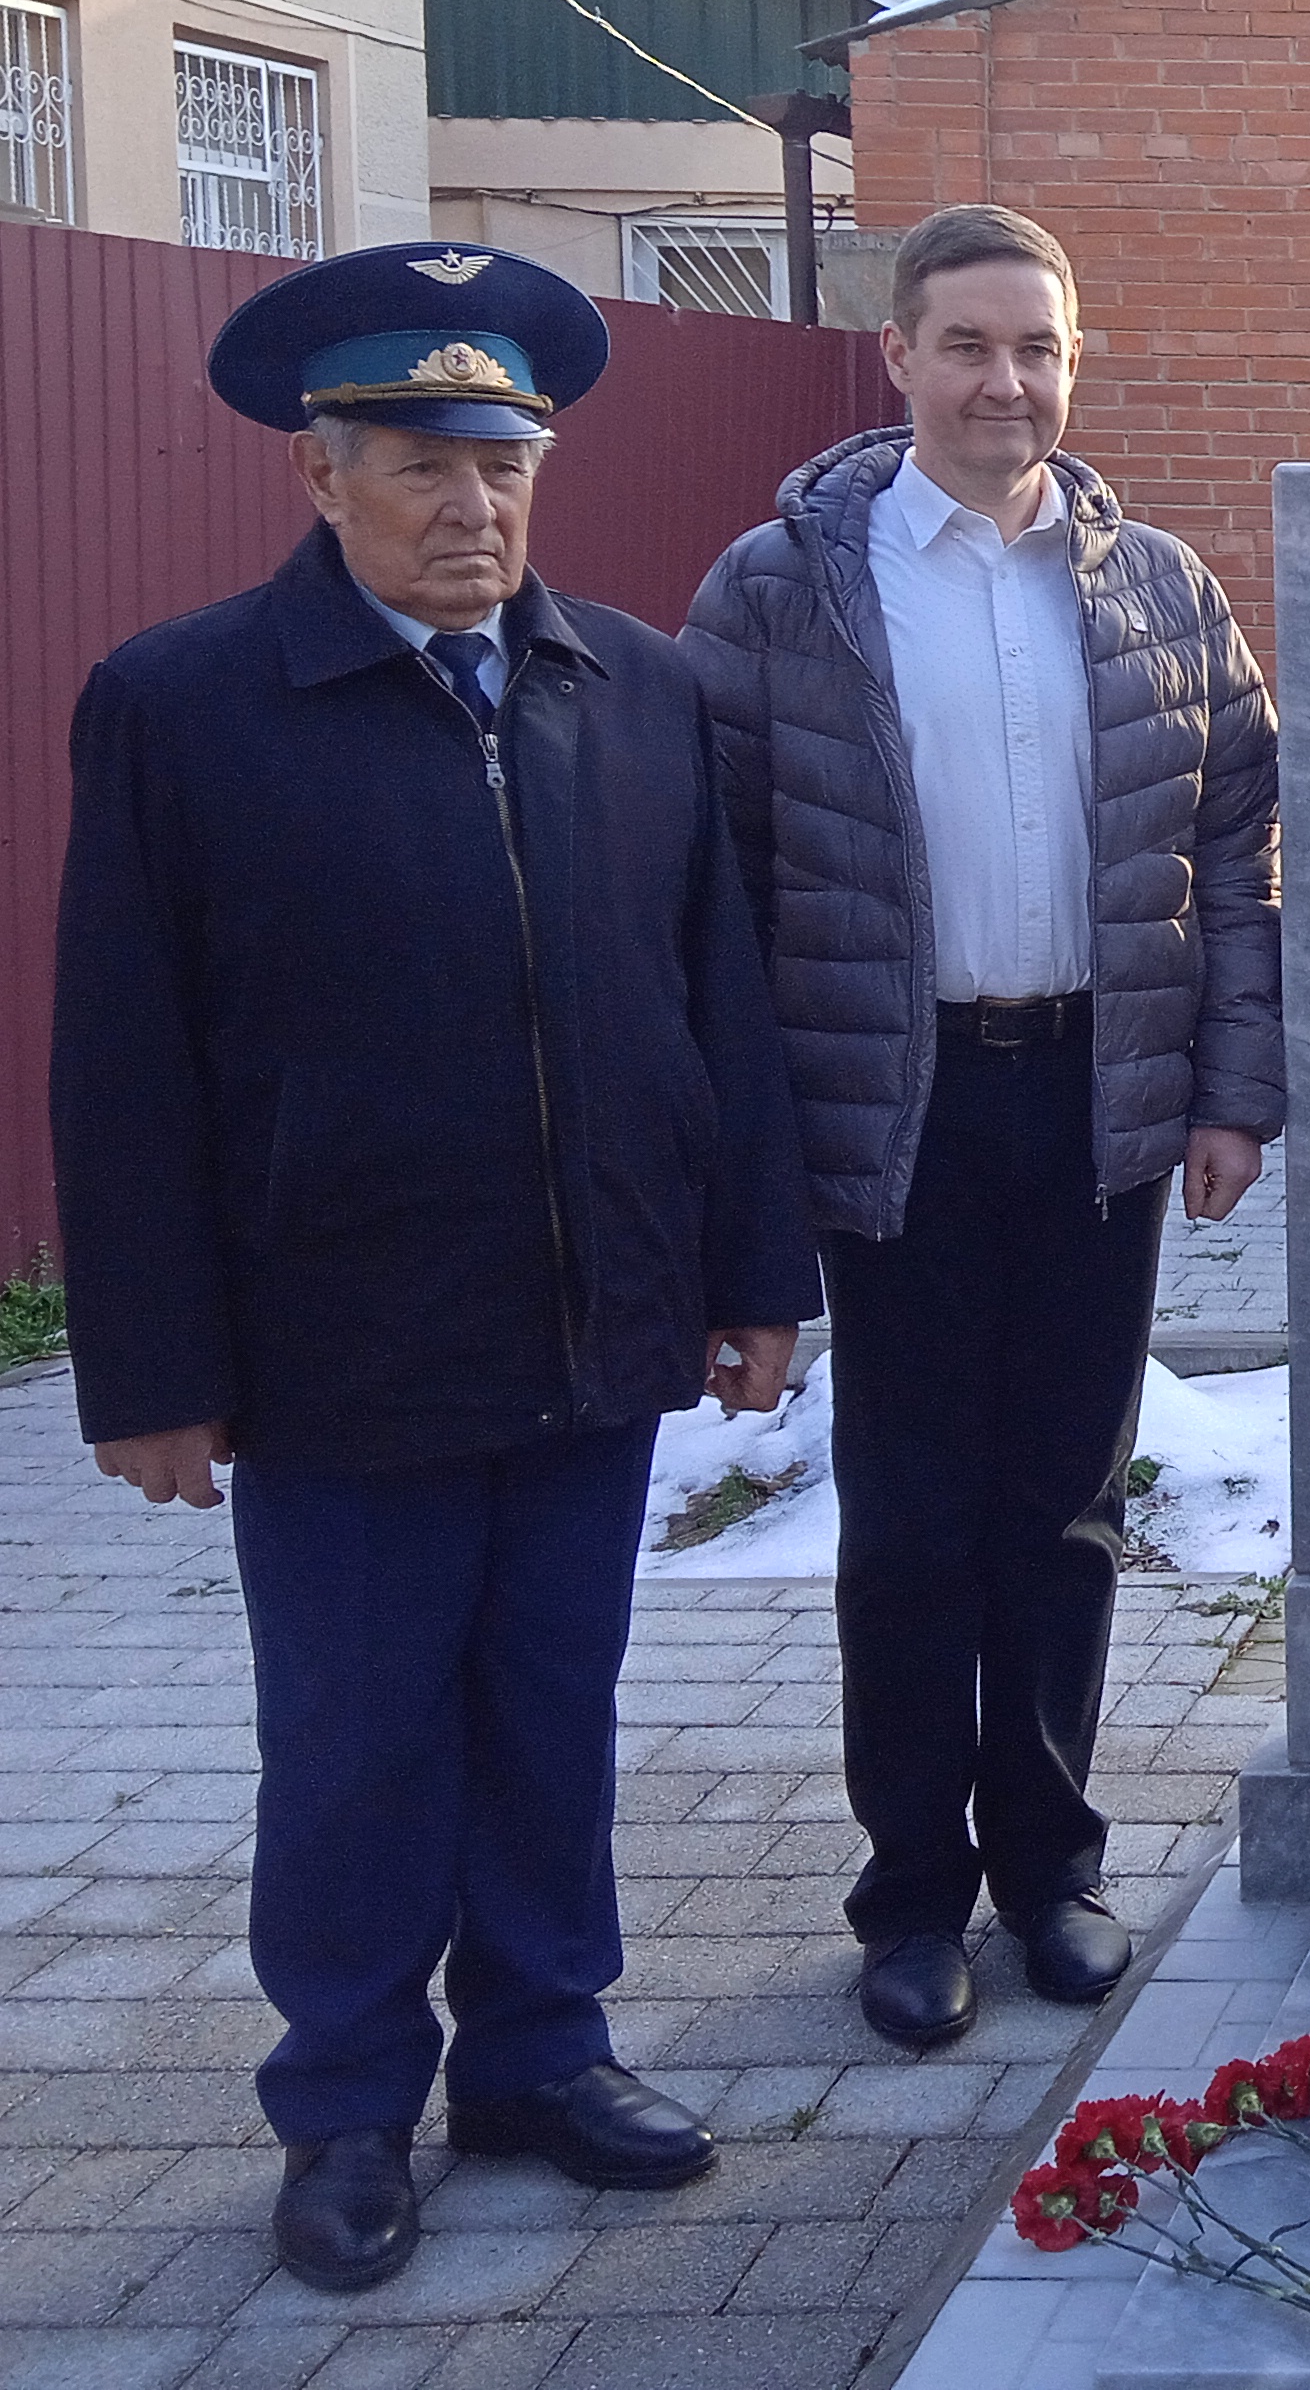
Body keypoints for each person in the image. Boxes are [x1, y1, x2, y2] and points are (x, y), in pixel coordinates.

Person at [53, 243, 818, 2293]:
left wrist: (755, 1277)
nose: (471, 505)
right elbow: (121, 1062)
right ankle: (347, 2105)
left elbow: (714, 1005)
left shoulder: (636, 688)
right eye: (419, 465)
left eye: (503, 460)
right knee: (362, 1737)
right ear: (321, 475)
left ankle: (543, 2056)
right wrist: (151, 1372)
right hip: (341, 1353)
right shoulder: (186, 706)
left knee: (550, 1711)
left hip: (594, 1330)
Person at [682, 202, 1283, 2053]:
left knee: (1066, 1505)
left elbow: (1235, 851)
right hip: (897, 1102)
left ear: (1074, 362)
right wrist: (746, 1149)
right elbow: (716, 883)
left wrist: (1233, 1091)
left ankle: (1051, 1867)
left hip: (1097, 1097)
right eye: (967, 344)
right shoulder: (782, 589)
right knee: (913, 1516)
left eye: (1037, 348)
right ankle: (911, 1900)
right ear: (900, 355)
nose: (1003, 382)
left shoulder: (1158, 587)